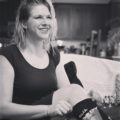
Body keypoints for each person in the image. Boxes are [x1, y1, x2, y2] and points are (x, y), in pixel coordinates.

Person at [0, 0, 110, 120]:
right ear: (24, 23)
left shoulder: (53, 54)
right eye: (38, 17)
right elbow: (2, 109)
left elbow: (69, 91)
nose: (46, 22)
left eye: (48, 17)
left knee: (76, 91)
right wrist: (48, 110)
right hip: (26, 117)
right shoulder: (8, 55)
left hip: (50, 116)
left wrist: (86, 99)